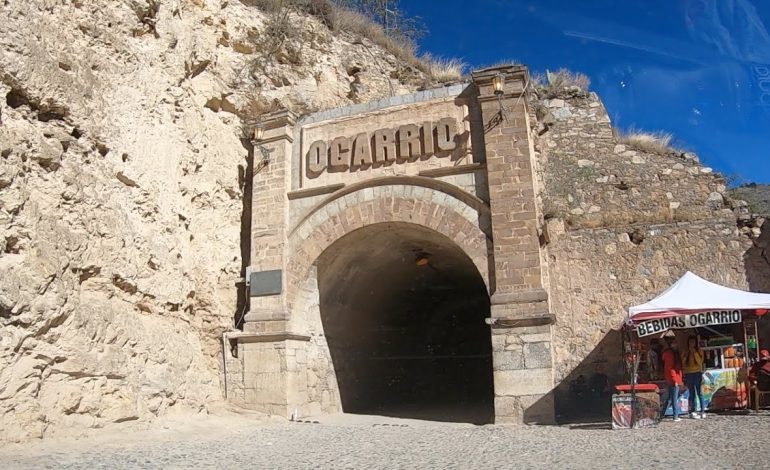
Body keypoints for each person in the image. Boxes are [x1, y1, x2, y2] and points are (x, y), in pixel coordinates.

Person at [661, 336, 684, 422]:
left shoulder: (671, 353)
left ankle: (662, 413)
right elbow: (670, 368)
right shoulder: (670, 354)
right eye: (675, 343)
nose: (676, 345)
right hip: (673, 379)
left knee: (670, 398)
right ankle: (675, 416)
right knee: (674, 398)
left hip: (671, 379)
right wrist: (675, 380)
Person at [682, 335, 706, 419]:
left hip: (697, 373)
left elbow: (700, 362)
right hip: (689, 374)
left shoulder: (699, 351)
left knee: (700, 392)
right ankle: (693, 410)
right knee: (691, 394)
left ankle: (702, 411)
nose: (691, 344)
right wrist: (687, 353)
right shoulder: (685, 351)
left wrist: (694, 353)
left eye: (693, 342)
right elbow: (683, 362)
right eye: (690, 342)